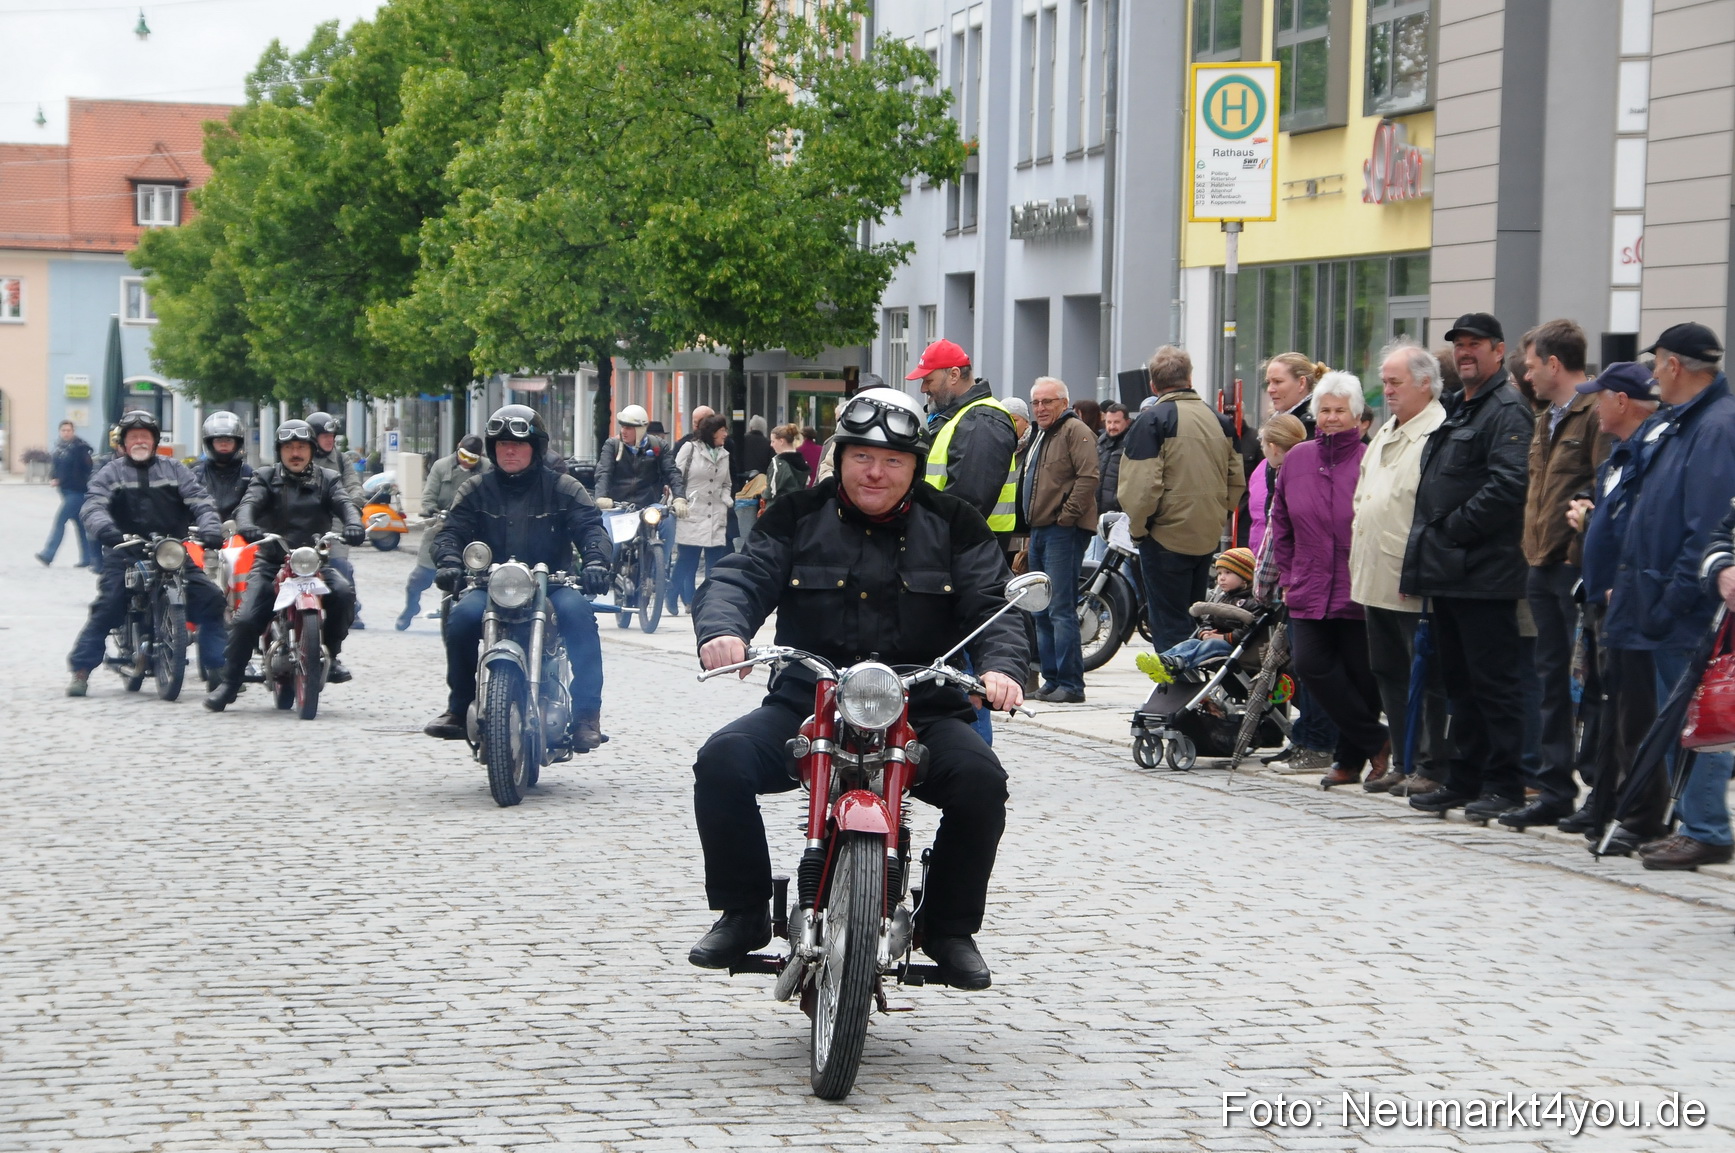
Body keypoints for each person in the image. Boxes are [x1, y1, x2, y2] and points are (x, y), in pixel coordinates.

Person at [688, 386, 1025, 988]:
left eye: (893, 460)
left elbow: (994, 605)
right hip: (807, 702)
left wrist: (1002, 670)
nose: (876, 472)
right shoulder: (795, 516)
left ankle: (948, 926)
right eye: (862, 456)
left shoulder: (954, 524)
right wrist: (724, 630)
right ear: (838, 457)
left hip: (922, 706)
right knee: (722, 761)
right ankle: (741, 912)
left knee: (982, 782)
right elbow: (742, 576)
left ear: (915, 466)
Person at [1610, 324, 1735, 869]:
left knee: (1701, 719)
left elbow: (1706, 526)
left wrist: (1671, 602)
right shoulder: (1684, 423)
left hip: (1686, 609)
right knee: (1681, 718)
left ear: (1674, 364)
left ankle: (1706, 826)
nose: (1653, 373)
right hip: (1664, 601)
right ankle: (1693, 821)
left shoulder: (1715, 427)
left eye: (1657, 363)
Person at [1401, 313, 1535, 820]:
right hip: (1451, 574)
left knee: (1493, 685)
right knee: (1460, 684)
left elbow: (1508, 486)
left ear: (1499, 352)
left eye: (1475, 344)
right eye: (1459, 345)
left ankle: (1504, 783)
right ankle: (1466, 776)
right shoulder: (1459, 406)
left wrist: (1453, 528)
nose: (1465, 353)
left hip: (1485, 573)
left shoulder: (1506, 409)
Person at [423, 406, 614, 748]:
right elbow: (450, 531)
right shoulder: (475, 489)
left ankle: (587, 715)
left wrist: (596, 563)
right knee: (463, 618)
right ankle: (457, 708)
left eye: (519, 444)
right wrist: (449, 561)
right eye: (502, 444)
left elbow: (591, 529)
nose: (509, 450)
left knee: (580, 617)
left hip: (553, 585)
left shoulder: (564, 487)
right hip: (491, 587)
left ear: (536, 448)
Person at [1558, 362, 1664, 851]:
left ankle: (1637, 814)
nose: (1594, 404)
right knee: (1604, 709)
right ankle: (1602, 805)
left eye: (1600, 396)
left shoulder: (1650, 453)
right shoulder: (1621, 453)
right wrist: (1587, 511)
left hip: (1627, 600)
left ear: (1622, 401)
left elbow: (1646, 525)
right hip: (1602, 601)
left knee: (1632, 714)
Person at [1505, 320, 1607, 829]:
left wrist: (1575, 552)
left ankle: (1598, 791)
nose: (1525, 374)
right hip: (1540, 565)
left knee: (1586, 684)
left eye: (1530, 364)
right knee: (1549, 682)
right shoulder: (1546, 416)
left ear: (1553, 364)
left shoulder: (1595, 414)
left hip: (1574, 569)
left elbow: (1601, 491)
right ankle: (1554, 788)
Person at [1270, 373, 1389, 788]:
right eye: (1326, 410)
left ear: (1358, 416)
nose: (1333, 417)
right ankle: (1377, 740)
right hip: (1308, 583)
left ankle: (1349, 759)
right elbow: (1279, 521)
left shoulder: (1372, 459)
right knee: (1310, 664)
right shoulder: (1299, 458)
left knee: (1361, 676)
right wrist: (1287, 573)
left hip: (1361, 584)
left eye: (1341, 410)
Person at [203, 420, 365, 710]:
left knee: (343, 593)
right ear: (279, 451)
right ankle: (229, 682)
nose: (295, 453)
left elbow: (344, 503)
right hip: (272, 561)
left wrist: (353, 523)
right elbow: (248, 504)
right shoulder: (265, 477)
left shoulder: (327, 478)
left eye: (301, 447)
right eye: (289, 447)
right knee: (245, 618)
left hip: (313, 562)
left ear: (311, 450)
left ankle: (332, 653)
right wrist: (247, 525)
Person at [67, 410, 227, 697]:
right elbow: (93, 506)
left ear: (154, 441)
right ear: (124, 443)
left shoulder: (175, 469)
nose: (139, 441)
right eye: (133, 437)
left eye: (145, 436)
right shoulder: (110, 472)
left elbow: (201, 502)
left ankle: (218, 668)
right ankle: (81, 669)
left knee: (213, 600)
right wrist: (106, 530)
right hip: (125, 551)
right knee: (109, 604)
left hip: (170, 550)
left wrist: (210, 528)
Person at [1351, 341, 1450, 796]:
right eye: (1385, 381)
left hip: (1410, 574)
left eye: (1395, 382)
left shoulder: (1438, 430)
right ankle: (1405, 759)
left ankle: (1429, 763)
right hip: (1375, 571)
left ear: (1425, 384)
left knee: (1423, 675)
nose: (1386, 390)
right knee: (1388, 671)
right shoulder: (1387, 430)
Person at [1117, 345, 1246, 651]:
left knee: (1169, 625)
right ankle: (1197, 693)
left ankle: (1175, 693)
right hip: (1205, 535)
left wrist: (1139, 530)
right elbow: (1236, 482)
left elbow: (1139, 489)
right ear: (1190, 377)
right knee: (1195, 619)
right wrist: (1217, 516)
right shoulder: (1220, 421)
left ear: (1153, 384)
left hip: (1163, 537)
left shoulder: (1151, 421)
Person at [1021, 376, 1099, 703]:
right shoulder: (1043, 434)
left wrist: (1067, 515)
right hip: (1040, 530)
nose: (1040, 408)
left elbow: (1090, 475)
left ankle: (1071, 684)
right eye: (1036, 402)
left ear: (1064, 404)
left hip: (1062, 531)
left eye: (1047, 402)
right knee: (1039, 608)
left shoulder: (1074, 430)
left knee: (1060, 609)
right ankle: (1052, 679)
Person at [909, 339, 1018, 533]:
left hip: (967, 548)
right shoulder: (961, 416)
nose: (923, 389)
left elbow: (968, 504)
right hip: (959, 544)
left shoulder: (982, 420)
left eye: (928, 380)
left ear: (954, 375)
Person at [396, 434, 489, 631]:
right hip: (441, 528)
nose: (467, 461)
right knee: (419, 577)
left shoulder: (488, 468)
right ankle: (411, 606)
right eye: (464, 455)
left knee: (460, 579)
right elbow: (428, 497)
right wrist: (431, 510)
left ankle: (454, 619)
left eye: (473, 458)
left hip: (474, 532)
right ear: (457, 448)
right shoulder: (441, 466)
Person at [1136, 547, 1259, 681]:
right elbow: (1208, 620)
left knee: (1211, 645)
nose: (1221, 578)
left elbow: (1250, 631)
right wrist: (1205, 632)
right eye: (1219, 573)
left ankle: (1180, 663)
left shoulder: (1252, 602)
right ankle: (1162, 660)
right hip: (1214, 639)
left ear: (1245, 577)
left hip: (1236, 647)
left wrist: (1223, 637)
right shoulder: (1222, 597)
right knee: (1190, 643)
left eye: (1228, 573)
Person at [594, 403, 683, 567]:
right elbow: (603, 472)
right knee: (607, 541)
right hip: (618, 506)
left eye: (629, 427)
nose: (623, 431)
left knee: (669, 520)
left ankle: (661, 569)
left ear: (641, 429)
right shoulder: (611, 445)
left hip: (649, 506)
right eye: (622, 426)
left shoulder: (659, 446)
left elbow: (672, 472)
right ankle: (604, 574)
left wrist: (680, 499)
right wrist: (601, 498)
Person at [306, 411, 365, 628]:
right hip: (307, 520)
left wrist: (353, 504)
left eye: (332, 436)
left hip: (336, 522)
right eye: (324, 436)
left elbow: (353, 484)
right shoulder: (301, 456)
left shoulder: (341, 459)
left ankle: (351, 608)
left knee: (341, 565)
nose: (330, 440)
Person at [672, 414, 732, 615]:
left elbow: (726, 483)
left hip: (716, 512)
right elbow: (676, 477)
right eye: (722, 430)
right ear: (712, 431)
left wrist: (726, 498)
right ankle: (671, 596)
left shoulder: (724, 454)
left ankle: (708, 602)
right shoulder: (690, 448)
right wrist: (679, 499)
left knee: (714, 563)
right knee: (687, 559)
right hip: (692, 510)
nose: (726, 433)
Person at [37, 419, 95, 568]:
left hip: (77, 492)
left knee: (60, 521)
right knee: (81, 526)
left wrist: (61, 480)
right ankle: (88, 558)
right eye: (63, 430)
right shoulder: (60, 448)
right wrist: (53, 477)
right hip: (65, 491)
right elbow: (56, 468)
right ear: (60, 432)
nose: (66, 433)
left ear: (73, 431)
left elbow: (86, 470)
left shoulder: (80, 448)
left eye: (69, 430)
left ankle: (48, 554)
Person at [1247, 415, 1306, 557]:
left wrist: (1262, 575)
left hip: (1285, 562)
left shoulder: (1281, 477)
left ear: (1273, 448)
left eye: (1263, 447)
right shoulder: (1312, 469)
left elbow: (1274, 529)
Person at [192, 411, 254, 523]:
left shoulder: (249, 474)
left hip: (239, 532)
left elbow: (255, 503)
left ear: (238, 443)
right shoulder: (195, 474)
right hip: (200, 532)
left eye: (229, 440)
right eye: (218, 440)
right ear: (210, 443)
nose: (223, 444)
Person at [764, 423, 810, 507]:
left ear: (781, 441)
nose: (771, 445)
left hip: (778, 508)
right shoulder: (802, 461)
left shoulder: (777, 463)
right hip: (797, 506)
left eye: (773, 441)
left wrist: (763, 494)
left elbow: (772, 490)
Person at [1096, 402, 1129, 515]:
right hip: (1097, 510)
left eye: (1117, 422)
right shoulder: (1101, 441)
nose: (1112, 426)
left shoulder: (1132, 444)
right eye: (1109, 422)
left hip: (1120, 512)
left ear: (1127, 422)